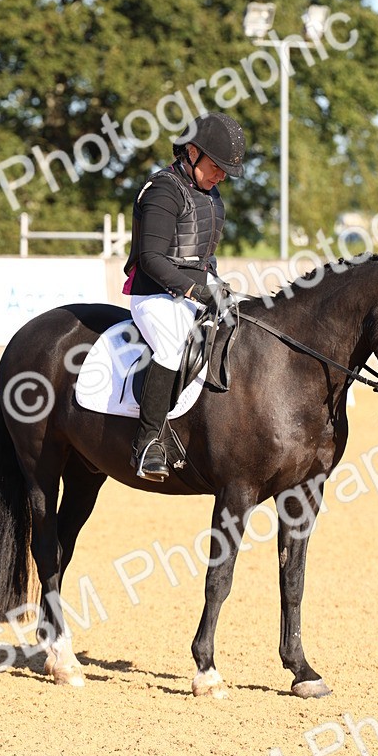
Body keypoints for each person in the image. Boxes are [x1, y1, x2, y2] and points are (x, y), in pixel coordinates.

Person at [122, 111, 245, 481]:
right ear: (191, 152)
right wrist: (194, 289)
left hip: (194, 294)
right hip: (155, 296)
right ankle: (147, 444)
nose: (221, 175)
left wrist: (216, 286)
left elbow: (204, 255)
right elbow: (152, 258)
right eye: (216, 166)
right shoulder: (163, 189)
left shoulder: (212, 198)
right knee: (173, 344)